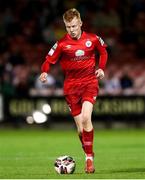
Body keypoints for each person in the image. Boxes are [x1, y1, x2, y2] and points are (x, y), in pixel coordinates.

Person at [39, 8, 108, 173]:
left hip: (89, 83)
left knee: (86, 119)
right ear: (65, 26)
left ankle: (89, 159)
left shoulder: (93, 39)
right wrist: (44, 71)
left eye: (74, 26)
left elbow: (103, 52)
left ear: (81, 23)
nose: (72, 30)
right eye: (69, 27)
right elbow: (48, 61)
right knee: (80, 130)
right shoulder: (62, 44)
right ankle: (88, 150)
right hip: (71, 88)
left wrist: (101, 68)